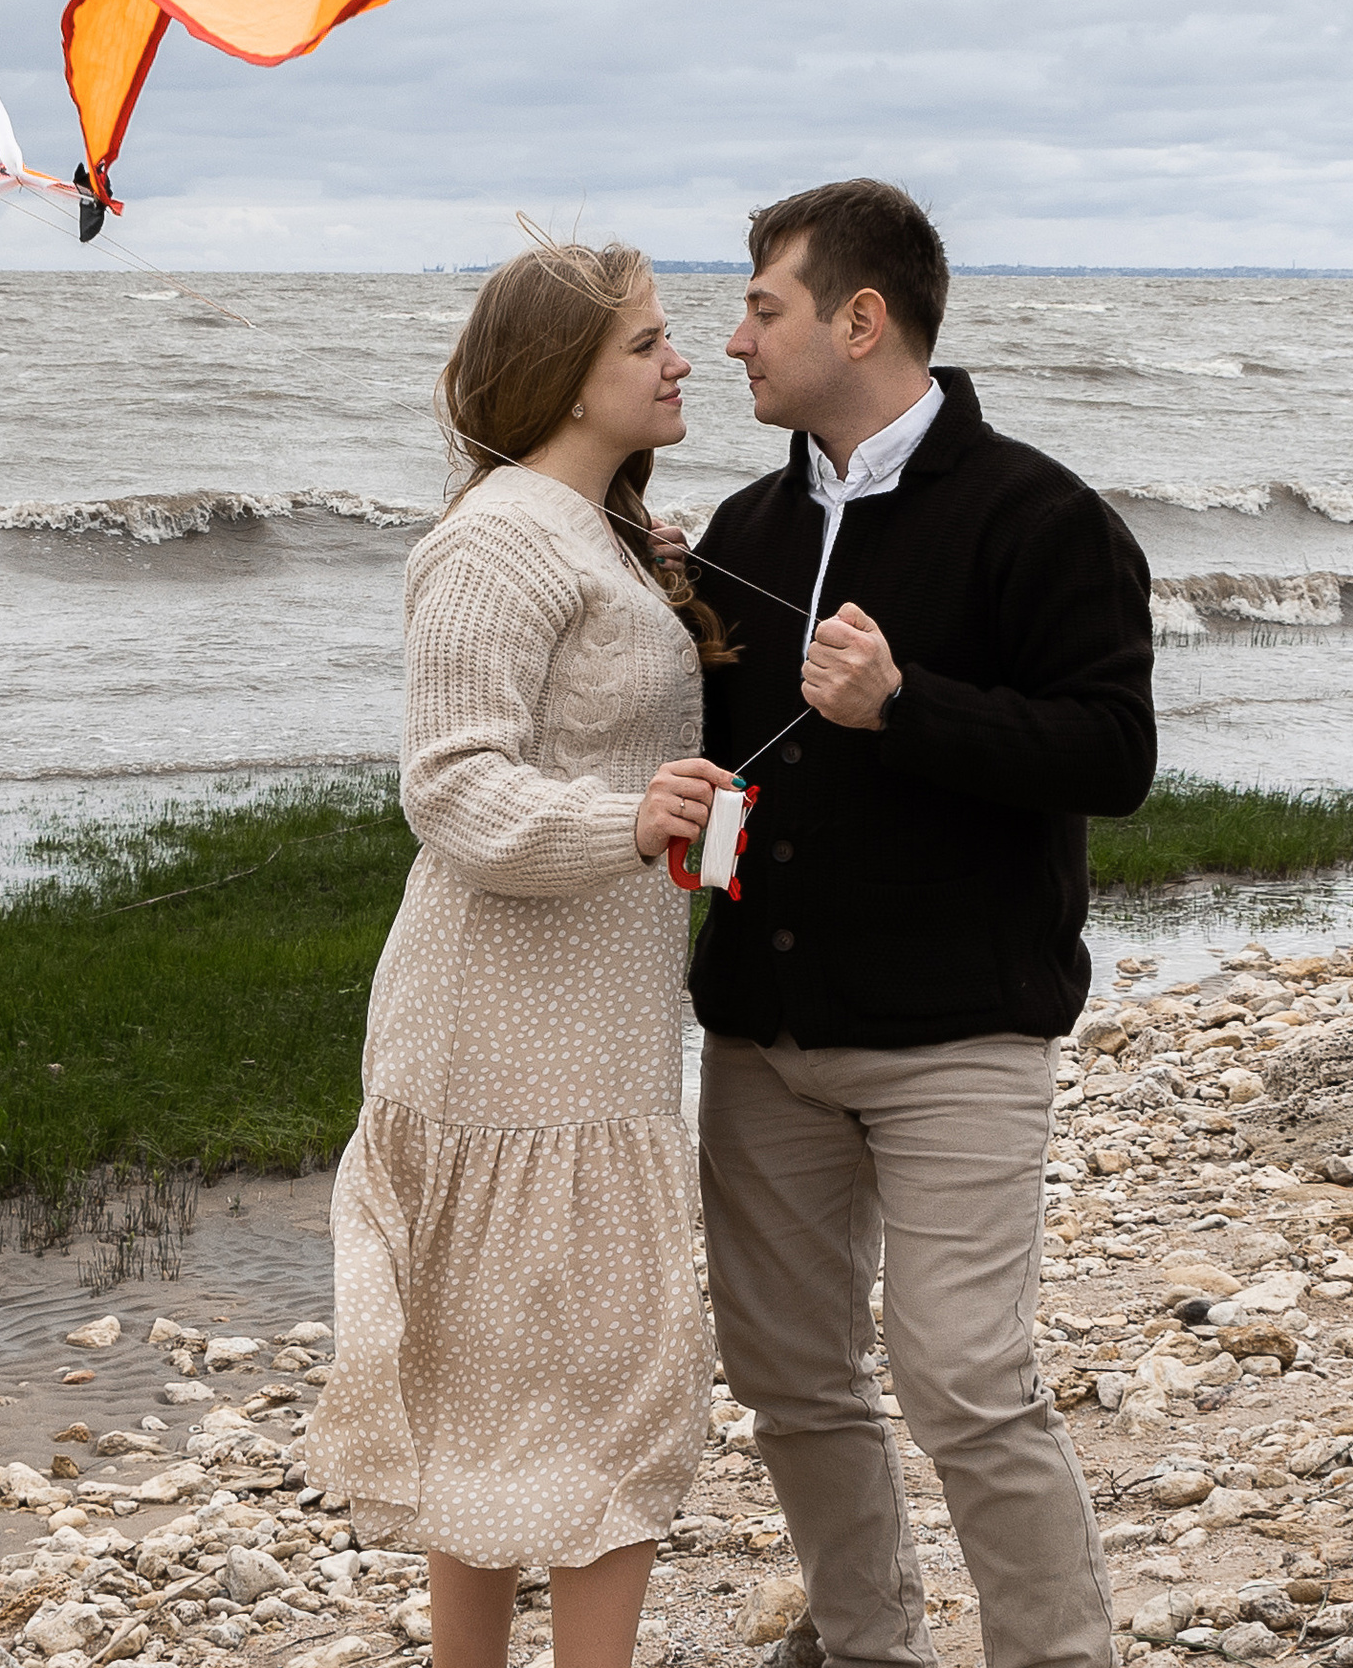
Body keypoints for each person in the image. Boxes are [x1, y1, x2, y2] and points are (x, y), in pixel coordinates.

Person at [688, 178, 1156, 1668]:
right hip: (762, 1037)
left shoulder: (1041, 515)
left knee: (963, 1377)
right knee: (789, 1375)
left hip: (962, 1028)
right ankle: (865, 1638)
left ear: (861, 318)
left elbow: (1113, 755)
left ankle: (1058, 1654)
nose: (737, 338)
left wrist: (908, 706)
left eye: (764, 307)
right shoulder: (740, 525)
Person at [310, 239, 737, 1668]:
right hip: (499, 1023)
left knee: (566, 1374)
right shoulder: (495, 539)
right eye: (648, 344)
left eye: (675, 336)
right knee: (541, 1378)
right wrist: (630, 819)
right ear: (563, 379)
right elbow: (452, 787)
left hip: (599, 1017)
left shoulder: (593, 529)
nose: (683, 361)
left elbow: (596, 725)